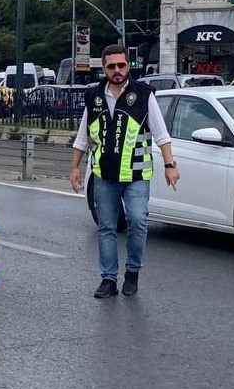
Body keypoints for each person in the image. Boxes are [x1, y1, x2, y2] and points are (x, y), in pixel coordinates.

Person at [69, 44, 179, 299]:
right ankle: (108, 279)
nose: (117, 71)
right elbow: (83, 137)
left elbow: (162, 135)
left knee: (138, 222)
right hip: (104, 176)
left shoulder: (143, 95)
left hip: (136, 176)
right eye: (111, 66)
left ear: (128, 65)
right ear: (104, 69)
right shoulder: (94, 97)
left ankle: (132, 273)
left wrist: (170, 165)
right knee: (106, 228)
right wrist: (75, 167)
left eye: (121, 65)